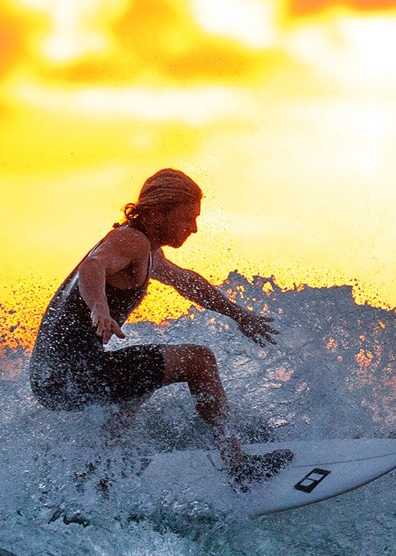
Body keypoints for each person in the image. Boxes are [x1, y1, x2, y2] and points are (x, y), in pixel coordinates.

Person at [28, 168, 293, 488]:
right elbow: (93, 265)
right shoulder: (131, 240)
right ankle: (237, 465)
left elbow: (187, 282)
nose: (194, 228)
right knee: (200, 361)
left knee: (149, 375)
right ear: (157, 212)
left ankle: (94, 472)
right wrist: (100, 306)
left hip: (52, 377)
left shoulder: (148, 250)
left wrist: (239, 315)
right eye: (187, 218)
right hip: (69, 374)